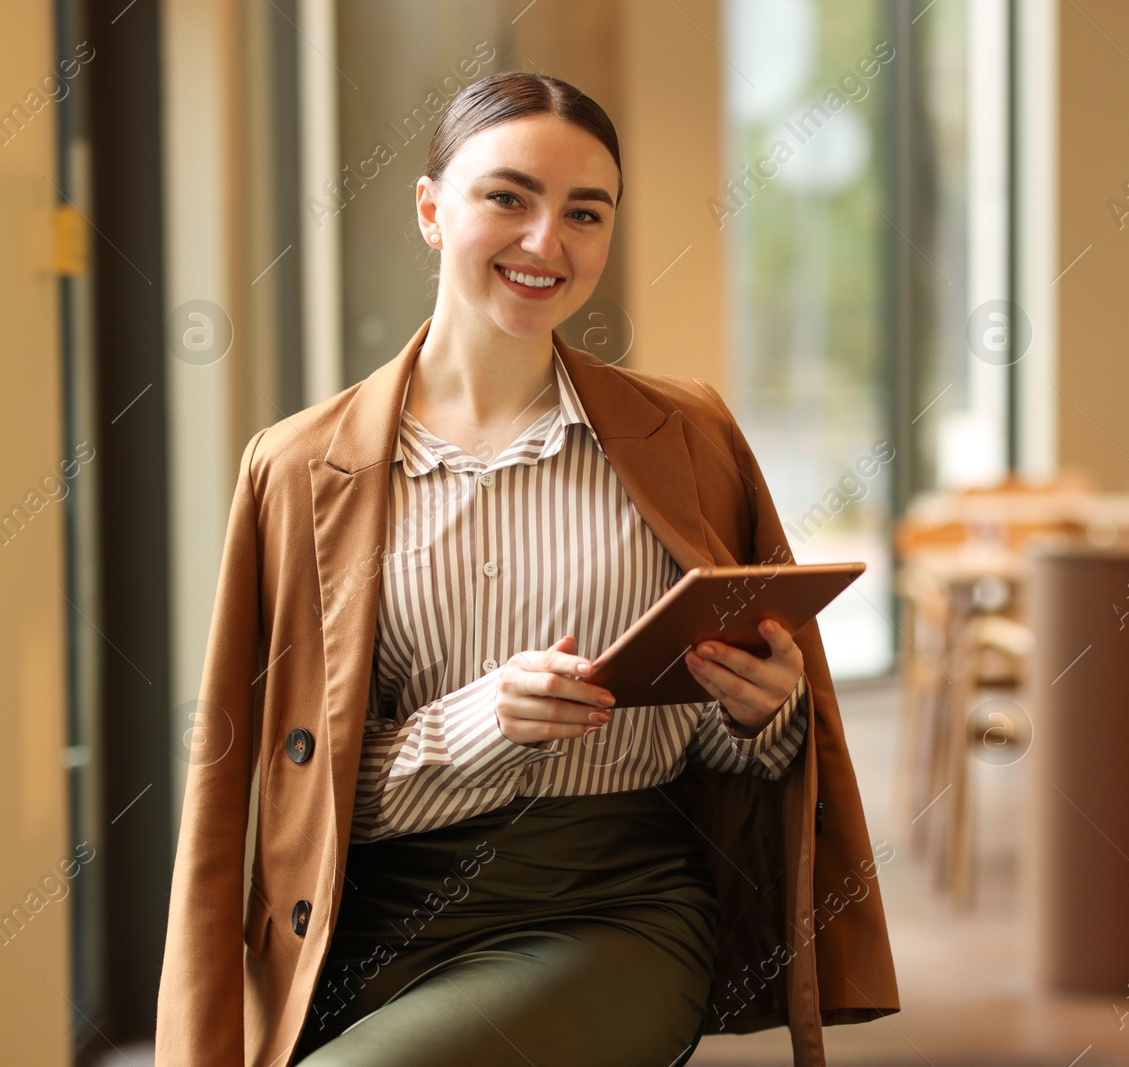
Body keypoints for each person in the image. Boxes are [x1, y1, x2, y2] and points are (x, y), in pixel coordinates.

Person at [153, 71, 898, 1067]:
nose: (546, 241)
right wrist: (479, 725)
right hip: (359, 920)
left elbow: (736, 762)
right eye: (507, 197)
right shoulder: (296, 467)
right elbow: (286, 787)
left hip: (611, 908)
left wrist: (761, 715)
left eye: (583, 212)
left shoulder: (688, 435)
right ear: (430, 209)